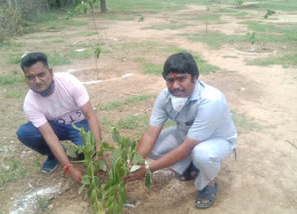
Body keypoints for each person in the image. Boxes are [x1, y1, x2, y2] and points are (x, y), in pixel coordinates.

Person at [123, 52, 237, 209]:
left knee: (203, 154)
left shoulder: (211, 100)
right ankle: (189, 166)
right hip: (187, 135)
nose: (175, 85)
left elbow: (186, 147)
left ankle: (209, 183)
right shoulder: (165, 97)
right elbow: (150, 135)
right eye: (170, 80)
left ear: (195, 77)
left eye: (181, 79)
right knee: (154, 147)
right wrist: (134, 164)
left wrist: (148, 169)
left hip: (217, 140)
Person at [16, 52, 102, 184]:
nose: (37, 81)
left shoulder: (69, 82)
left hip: (79, 124)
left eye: (41, 74)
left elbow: (90, 116)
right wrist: (69, 167)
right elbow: (49, 136)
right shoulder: (30, 103)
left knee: (91, 152)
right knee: (25, 133)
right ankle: (53, 155)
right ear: (25, 79)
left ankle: (82, 150)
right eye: (31, 77)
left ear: (50, 72)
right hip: (55, 128)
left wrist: (99, 148)